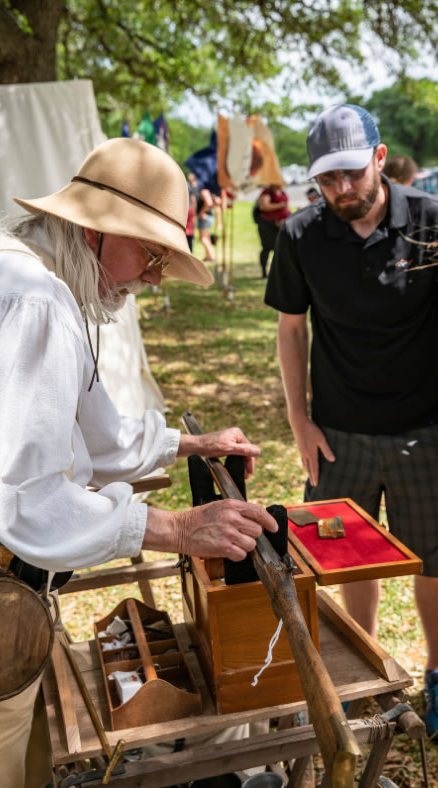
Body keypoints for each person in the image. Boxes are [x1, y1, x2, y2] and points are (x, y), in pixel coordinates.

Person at [0, 136, 280, 788]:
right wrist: (172, 528)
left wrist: (190, 444)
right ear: (92, 229)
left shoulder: (41, 283)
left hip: (7, 587)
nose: (155, 276)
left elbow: (99, 434)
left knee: (28, 758)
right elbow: (24, 493)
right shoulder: (33, 300)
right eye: (150, 252)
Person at [265, 103, 438, 742]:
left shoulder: (431, 222)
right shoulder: (301, 234)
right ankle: (367, 680)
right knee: (346, 563)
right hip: (338, 436)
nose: (340, 189)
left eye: (350, 174)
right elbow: (290, 327)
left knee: (434, 563)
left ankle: (436, 680)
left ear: (381, 158)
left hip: (428, 432)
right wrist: (299, 420)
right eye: (326, 179)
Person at [254, 184, 290, 278]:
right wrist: (280, 205)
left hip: (281, 225)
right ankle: (264, 272)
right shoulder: (267, 192)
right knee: (267, 247)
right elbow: (264, 206)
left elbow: (286, 207)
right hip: (268, 225)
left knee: (280, 249)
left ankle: (277, 272)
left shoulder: (282, 192)